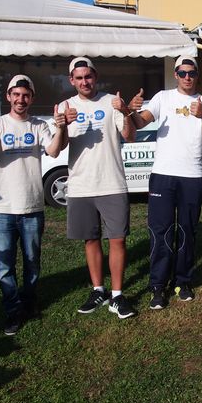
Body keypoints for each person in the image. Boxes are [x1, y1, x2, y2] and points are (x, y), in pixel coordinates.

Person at [0, 75, 67, 335]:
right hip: (1, 210)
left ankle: (29, 302)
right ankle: (13, 311)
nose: (20, 99)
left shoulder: (38, 126)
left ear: (31, 98)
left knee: (32, 261)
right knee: (5, 266)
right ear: (9, 96)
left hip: (32, 207)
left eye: (25, 95)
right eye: (16, 94)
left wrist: (60, 128)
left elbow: (55, 151)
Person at [128, 55, 202, 309]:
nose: (188, 77)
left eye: (192, 73)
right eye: (183, 72)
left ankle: (183, 280)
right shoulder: (162, 98)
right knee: (161, 231)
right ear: (175, 74)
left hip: (192, 176)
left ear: (197, 75)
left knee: (187, 231)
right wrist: (130, 110)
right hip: (163, 175)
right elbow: (140, 121)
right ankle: (157, 285)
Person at [62, 57, 139, 319]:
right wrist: (62, 123)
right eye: (79, 77)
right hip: (81, 184)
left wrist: (125, 110)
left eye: (89, 76)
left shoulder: (110, 102)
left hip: (112, 182)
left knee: (117, 238)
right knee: (91, 238)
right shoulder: (65, 106)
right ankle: (98, 290)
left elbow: (130, 136)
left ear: (96, 77)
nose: (85, 81)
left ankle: (117, 295)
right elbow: (60, 145)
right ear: (72, 80)